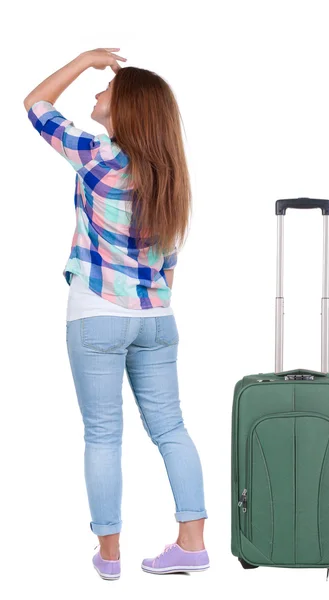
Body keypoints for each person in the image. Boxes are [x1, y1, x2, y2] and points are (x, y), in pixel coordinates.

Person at [24, 48, 209, 579]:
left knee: (103, 434)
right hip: (157, 319)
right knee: (171, 428)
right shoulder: (168, 177)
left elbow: (36, 104)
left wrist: (85, 59)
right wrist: (149, 302)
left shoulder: (98, 156)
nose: (98, 93)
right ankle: (191, 544)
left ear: (125, 109)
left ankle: (109, 558)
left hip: (97, 314)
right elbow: (169, 264)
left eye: (107, 89)